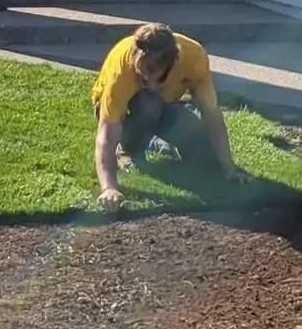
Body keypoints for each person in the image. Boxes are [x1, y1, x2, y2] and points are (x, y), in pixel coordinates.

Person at [91, 21, 246, 208]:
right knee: (149, 104)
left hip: (166, 104)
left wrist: (229, 170)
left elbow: (212, 115)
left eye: (153, 72)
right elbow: (107, 134)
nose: (148, 80)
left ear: (173, 61)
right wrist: (109, 187)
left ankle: (157, 142)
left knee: (201, 152)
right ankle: (127, 150)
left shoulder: (194, 58)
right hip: (126, 109)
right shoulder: (122, 69)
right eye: (142, 73)